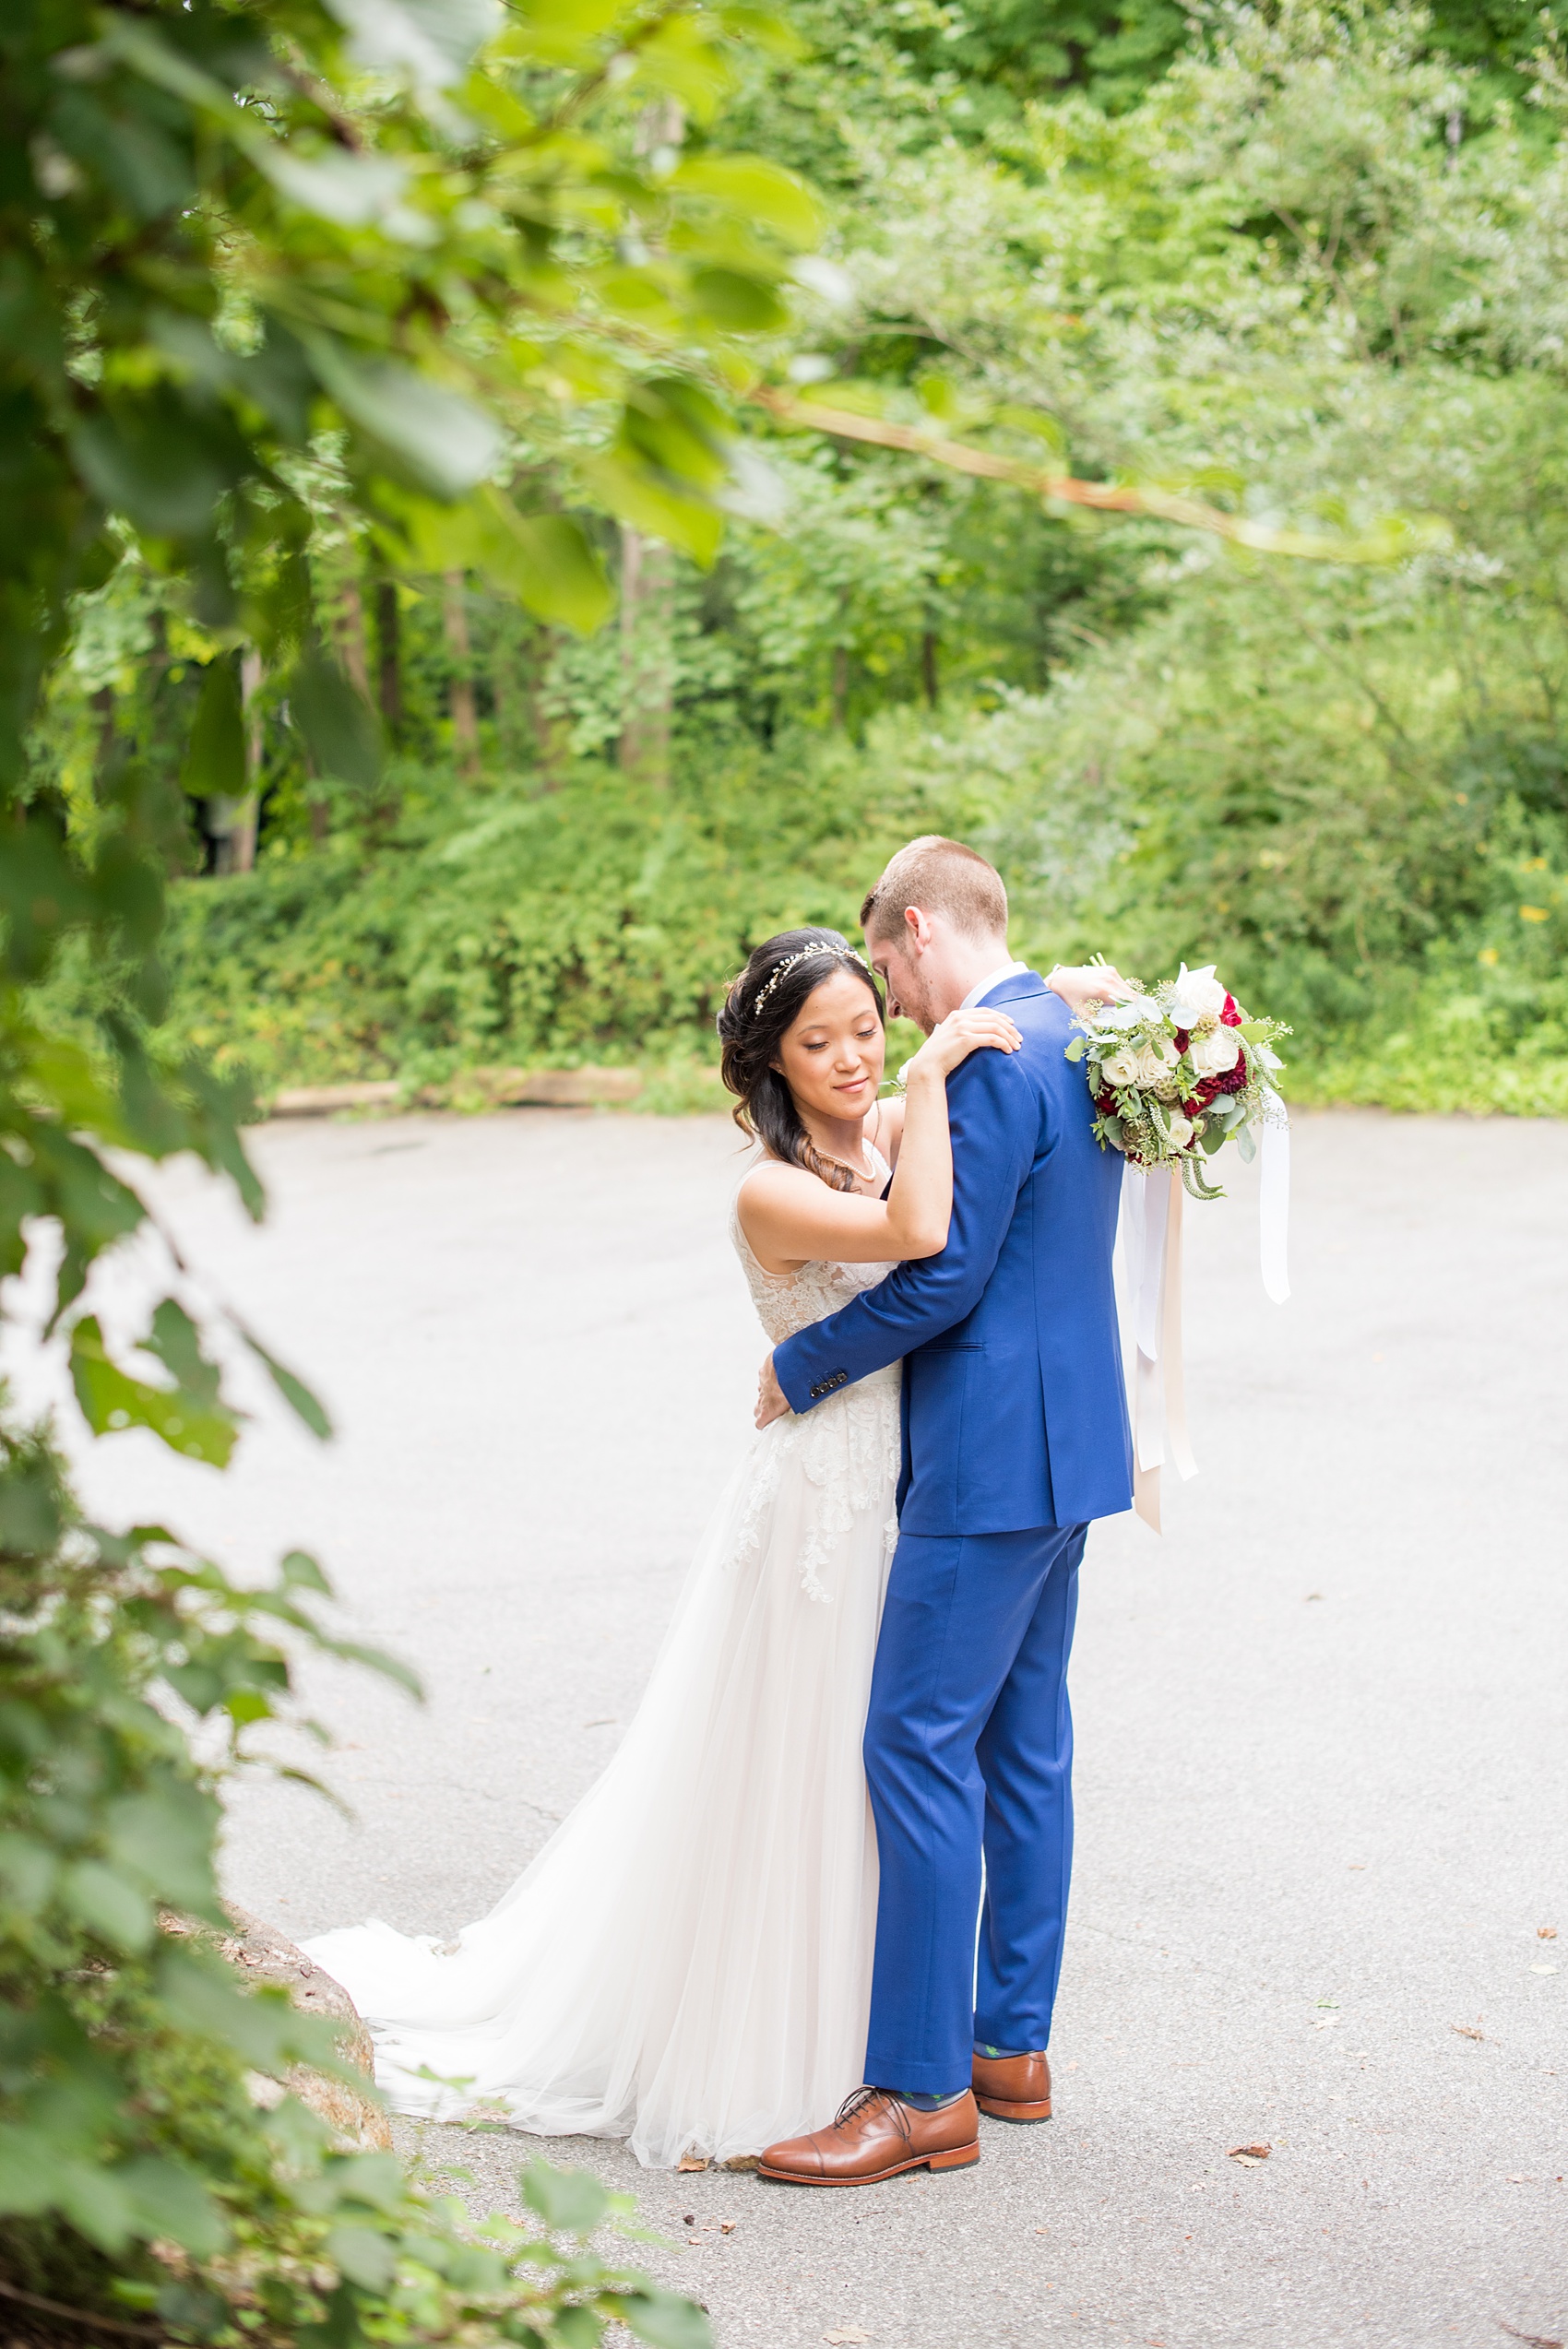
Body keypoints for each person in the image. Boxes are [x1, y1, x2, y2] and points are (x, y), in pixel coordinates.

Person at [303, 924, 1112, 2167]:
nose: (852, 1057)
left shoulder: (892, 1130)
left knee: (908, 1750)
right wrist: (928, 1075)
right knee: (828, 1753)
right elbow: (921, 1241)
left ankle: (934, 2051)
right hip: (823, 1497)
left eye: (867, 1029)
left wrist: (1037, 1001)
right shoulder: (775, 1184)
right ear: (771, 1065)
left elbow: (933, 1168)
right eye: (818, 1042)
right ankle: (878, 2052)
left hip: (910, 1478)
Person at [754, 836, 1134, 2189]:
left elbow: (949, 1274)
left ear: (916, 930)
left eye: (889, 978)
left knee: (916, 1746)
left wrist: (800, 1367)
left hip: (983, 1456)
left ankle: (917, 2094)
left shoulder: (983, 1058)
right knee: (1026, 1745)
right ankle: (1010, 2049)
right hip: (1076, 1443)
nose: (896, 1012)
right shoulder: (1080, 1034)